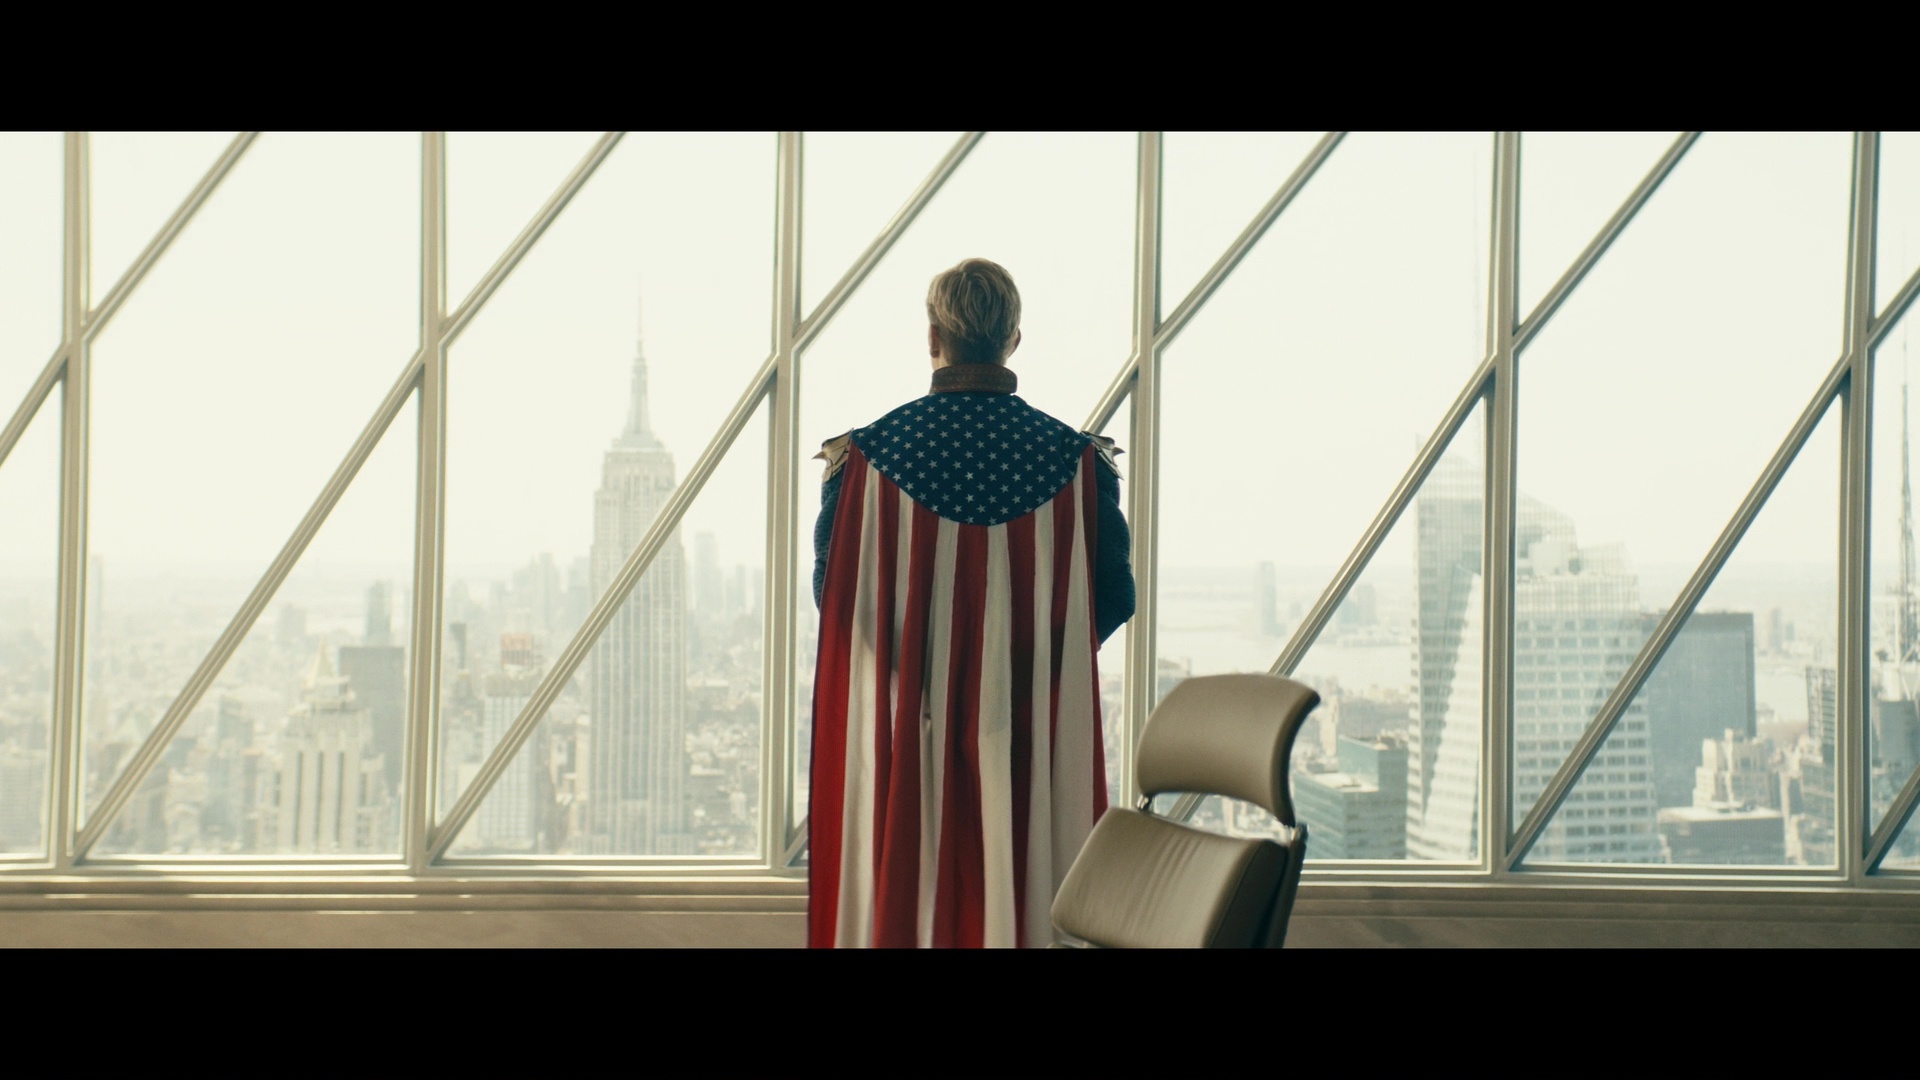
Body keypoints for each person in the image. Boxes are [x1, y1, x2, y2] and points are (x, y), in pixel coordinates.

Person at [809, 257, 1134, 948]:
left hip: (911, 732)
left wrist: (924, 677)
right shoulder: (1077, 460)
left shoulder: (864, 457)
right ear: (1014, 340)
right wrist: (1024, 669)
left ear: (933, 337)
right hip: (1034, 732)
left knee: (911, 899)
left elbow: (835, 597)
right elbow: (1114, 595)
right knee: (1034, 893)